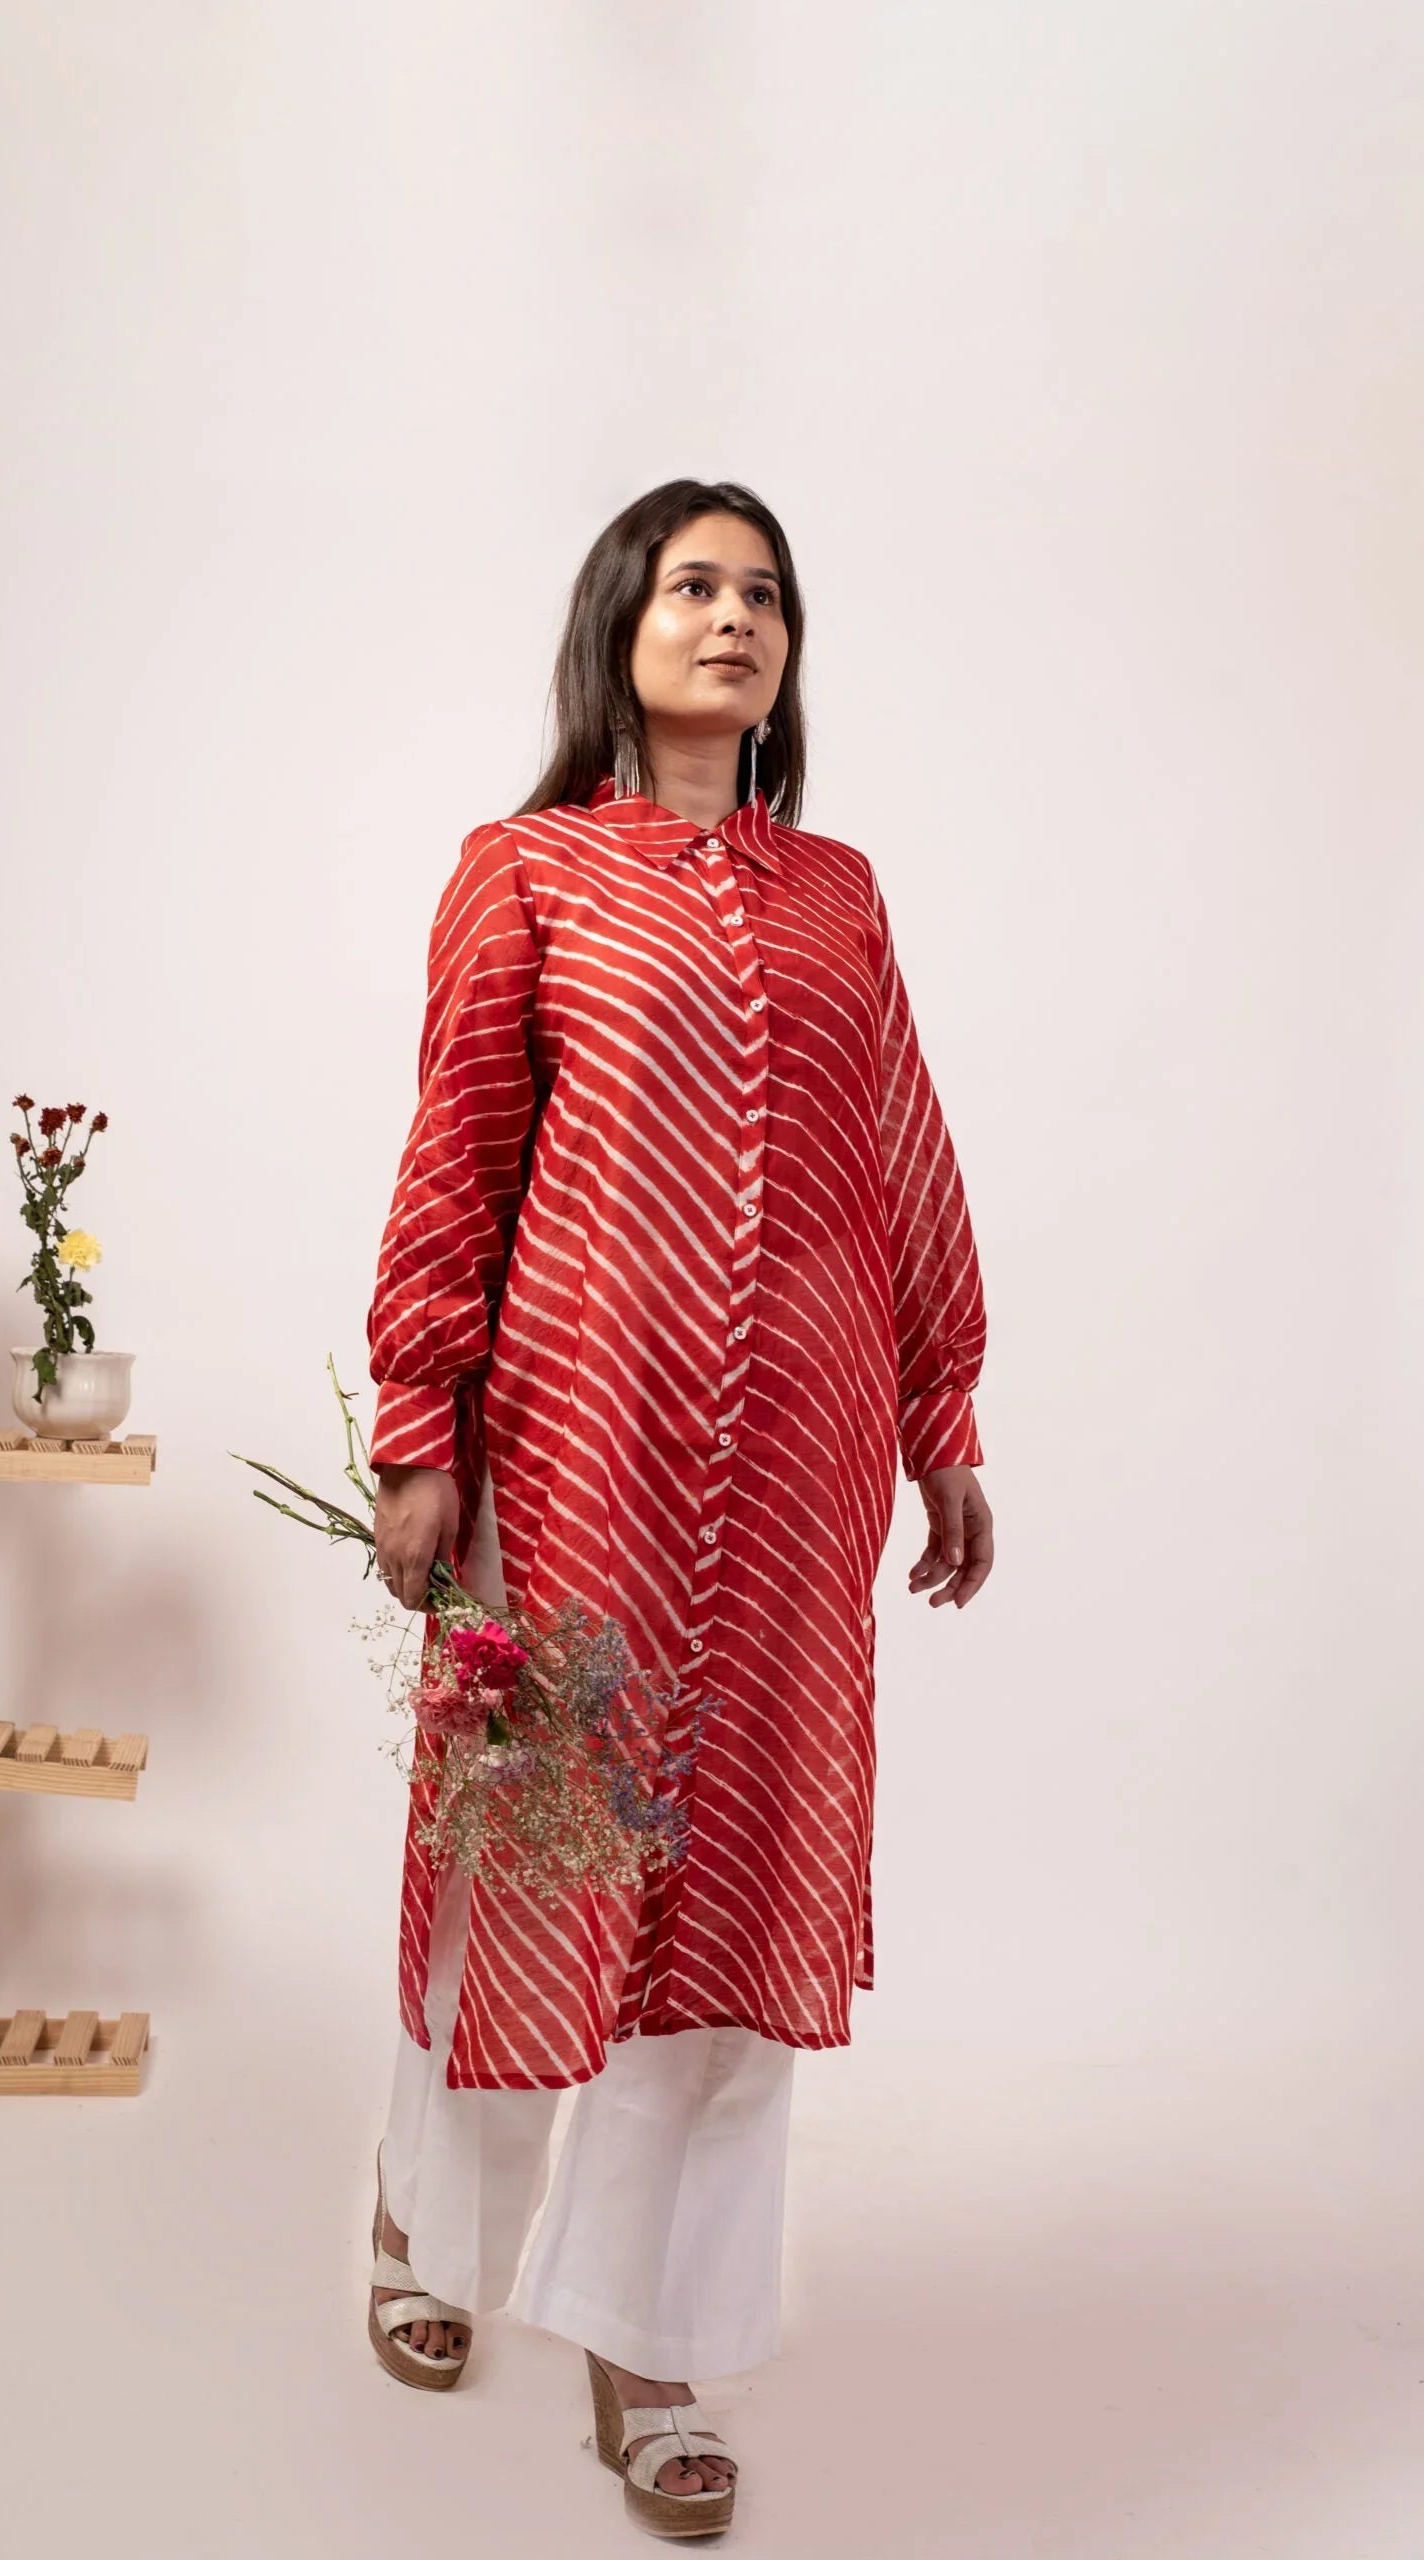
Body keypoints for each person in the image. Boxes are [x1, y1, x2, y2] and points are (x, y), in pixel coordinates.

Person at [361, 476, 994, 2535]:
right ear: (619, 625)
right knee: (538, 1852)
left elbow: (900, 1150)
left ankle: (647, 2335)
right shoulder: (525, 869)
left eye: (765, 594)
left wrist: (943, 1411)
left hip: (797, 1482)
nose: (734, 618)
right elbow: (457, 1149)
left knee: (731, 1894)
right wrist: (419, 1427)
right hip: (573, 1458)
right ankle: (431, 2218)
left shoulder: (838, 893)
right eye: (694, 585)